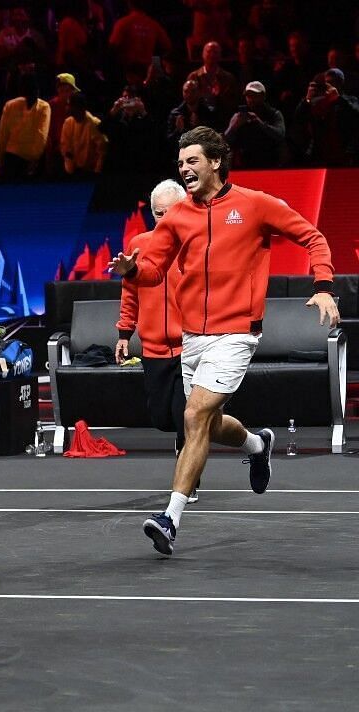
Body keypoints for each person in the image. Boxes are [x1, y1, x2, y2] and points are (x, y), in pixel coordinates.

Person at [109, 126, 339, 556]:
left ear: (216, 161)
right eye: (180, 164)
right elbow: (154, 269)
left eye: (192, 161)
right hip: (192, 336)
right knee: (207, 424)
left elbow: (313, 236)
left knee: (194, 415)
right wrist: (131, 272)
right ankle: (257, 444)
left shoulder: (255, 205)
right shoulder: (178, 216)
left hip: (236, 334)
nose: (185, 169)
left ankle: (170, 518)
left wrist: (324, 284)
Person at [114, 179, 192, 494]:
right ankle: (185, 442)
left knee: (185, 415)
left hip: (191, 346)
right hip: (153, 348)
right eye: (159, 214)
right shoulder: (140, 244)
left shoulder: (197, 244)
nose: (165, 220)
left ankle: (187, 479)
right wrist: (124, 332)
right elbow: (130, 291)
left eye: (171, 212)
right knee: (162, 417)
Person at [224, 81, 286, 168]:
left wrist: (260, 123)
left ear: (263, 96)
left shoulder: (274, 114)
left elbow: (280, 135)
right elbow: (225, 141)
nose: (250, 99)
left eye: (254, 95)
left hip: (269, 162)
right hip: (245, 164)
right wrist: (233, 127)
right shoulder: (239, 116)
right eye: (248, 96)